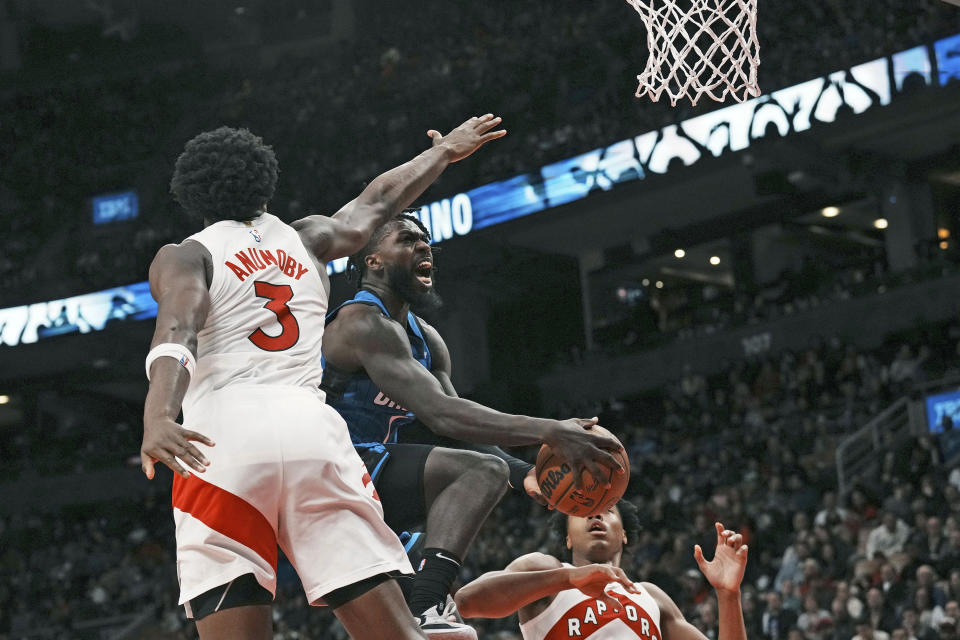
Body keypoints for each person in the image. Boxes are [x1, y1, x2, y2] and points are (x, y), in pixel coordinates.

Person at [139, 115, 506, 640]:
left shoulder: (186, 254)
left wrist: (157, 416)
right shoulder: (308, 237)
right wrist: (442, 153)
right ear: (264, 183)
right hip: (313, 431)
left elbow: (179, 329)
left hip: (224, 439)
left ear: (190, 195)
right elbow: (377, 201)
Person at [320, 212, 627, 636]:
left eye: (427, 242)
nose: (424, 247)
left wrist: (526, 476)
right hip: (326, 464)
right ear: (373, 261)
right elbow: (440, 414)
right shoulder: (360, 323)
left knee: (401, 630)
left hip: (367, 479)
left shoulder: (426, 339)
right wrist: (548, 429)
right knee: (479, 471)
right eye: (408, 240)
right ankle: (429, 604)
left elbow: (455, 421)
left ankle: (424, 604)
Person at [453, 502, 749, 640]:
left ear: (624, 534)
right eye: (581, 510)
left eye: (608, 509)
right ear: (567, 536)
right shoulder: (546, 570)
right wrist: (569, 579)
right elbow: (468, 602)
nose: (595, 513)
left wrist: (727, 595)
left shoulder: (652, 597)